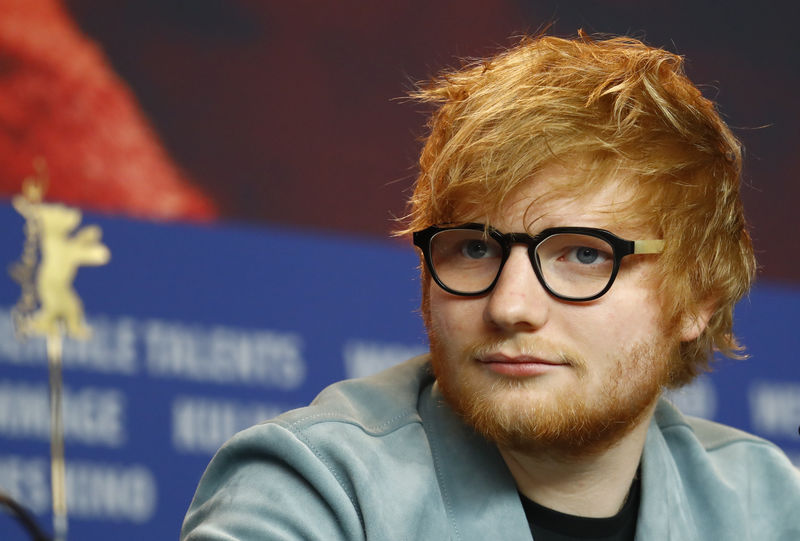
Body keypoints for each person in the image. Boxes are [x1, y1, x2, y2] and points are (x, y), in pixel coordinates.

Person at [181, 32, 800, 540]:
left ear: (698, 300)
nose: (509, 306)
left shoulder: (770, 507)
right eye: (475, 248)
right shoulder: (313, 488)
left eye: (584, 254)